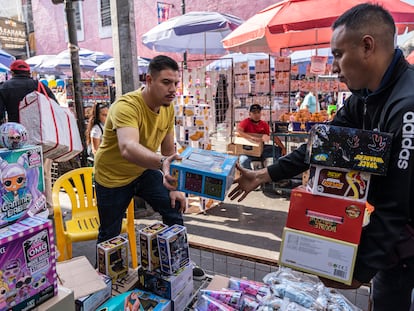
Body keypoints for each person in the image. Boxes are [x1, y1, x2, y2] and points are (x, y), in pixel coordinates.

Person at [228, 4, 414, 311]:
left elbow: (397, 208)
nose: (334, 66)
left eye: (338, 54)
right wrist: (263, 175)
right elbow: (322, 145)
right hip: (390, 248)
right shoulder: (364, 98)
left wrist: (358, 271)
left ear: (367, 46)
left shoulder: (406, 105)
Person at [94, 55, 205, 279]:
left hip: (143, 171)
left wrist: (174, 185)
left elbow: (168, 151)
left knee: (174, 205)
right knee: (110, 233)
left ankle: (179, 260)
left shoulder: (168, 107)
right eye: (166, 82)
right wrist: (162, 164)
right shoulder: (126, 106)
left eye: (175, 83)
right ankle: (105, 280)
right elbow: (127, 147)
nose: (173, 89)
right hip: (111, 177)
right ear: (149, 80)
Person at [0, 59, 58, 216]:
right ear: (28, 72)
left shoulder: (4, 88)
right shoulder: (39, 85)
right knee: (44, 173)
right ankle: (48, 208)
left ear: (12, 73)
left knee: (16, 174)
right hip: (41, 137)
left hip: (15, 140)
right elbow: (55, 106)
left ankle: (21, 209)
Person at [237, 104, 286, 170]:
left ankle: (275, 174)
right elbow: (239, 132)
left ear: (261, 113)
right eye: (254, 113)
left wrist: (282, 147)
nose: (256, 115)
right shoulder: (245, 122)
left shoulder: (264, 124)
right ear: (250, 114)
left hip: (262, 150)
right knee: (243, 160)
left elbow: (273, 136)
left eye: (258, 112)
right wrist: (252, 138)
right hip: (248, 151)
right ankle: (250, 178)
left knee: (279, 151)